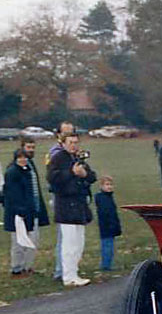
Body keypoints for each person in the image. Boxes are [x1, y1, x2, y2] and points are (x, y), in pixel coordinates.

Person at [47, 133, 97, 287]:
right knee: (69, 244)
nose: (74, 145)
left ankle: (75, 271)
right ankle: (68, 276)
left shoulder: (77, 158)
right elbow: (52, 179)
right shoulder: (58, 159)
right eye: (71, 142)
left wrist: (85, 174)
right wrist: (71, 173)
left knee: (79, 242)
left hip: (79, 205)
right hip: (66, 206)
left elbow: (92, 176)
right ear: (63, 143)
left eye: (76, 142)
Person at [3, 149, 49, 277]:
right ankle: (16, 269)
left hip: (31, 212)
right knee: (18, 242)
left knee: (32, 240)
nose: (23, 160)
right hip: (18, 214)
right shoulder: (12, 172)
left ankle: (27, 267)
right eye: (20, 158)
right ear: (15, 159)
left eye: (25, 158)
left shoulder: (27, 171)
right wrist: (20, 211)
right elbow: (11, 195)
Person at [47, 120, 75, 281]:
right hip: (62, 196)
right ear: (59, 135)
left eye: (72, 132)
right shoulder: (56, 153)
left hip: (73, 195)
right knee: (64, 234)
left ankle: (69, 267)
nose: (69, 136)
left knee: (72, 236)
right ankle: (60, 269)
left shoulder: (71, 152)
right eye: (66, 133)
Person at [95, 175, 122, 271]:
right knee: (107, 246)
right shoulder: (102, 198)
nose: (109, 187)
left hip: (111, 225)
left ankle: (108, 263)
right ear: (101, 186)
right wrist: (111, 224)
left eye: (111, 184)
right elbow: (105, 212)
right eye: (107, 184)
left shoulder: (109, 197)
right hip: (106, 226)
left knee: (110, 245)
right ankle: (106, 265)